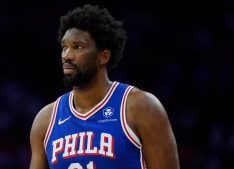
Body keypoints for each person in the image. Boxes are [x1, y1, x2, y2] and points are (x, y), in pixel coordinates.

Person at [29, 4, 180, 169]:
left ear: (103, 56)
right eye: (64, 47)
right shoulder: (45, 120)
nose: (67, 55)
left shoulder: (141, 107)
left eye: (77, 47)